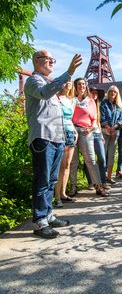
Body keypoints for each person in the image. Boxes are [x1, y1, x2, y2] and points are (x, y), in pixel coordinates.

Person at [24, 50, 82, 239]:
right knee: (42, 180)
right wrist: (69, 72)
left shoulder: (50, 83)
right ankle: (39, 222)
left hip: (57, 138)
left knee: (51, 180)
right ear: (36, 60)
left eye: (52, 59)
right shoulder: (34, 81)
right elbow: (44, 94)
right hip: (42, 137)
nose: (50, 61)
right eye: (46, 58)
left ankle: (48, 215)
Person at [72, 78, 109, 197]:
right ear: (75, 86)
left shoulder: (90, 101)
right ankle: (73, 187)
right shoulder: (71, 100)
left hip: (85, 131)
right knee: (73, 161)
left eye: (83, 84)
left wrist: (91, 129)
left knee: (91, 160)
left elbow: (94, 119)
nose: (81, 86)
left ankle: (98, 186)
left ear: (85, 86)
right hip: (72, 130)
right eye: (79, 84)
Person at [54, 81, 78, 208]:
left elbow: (70, 119)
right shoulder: (56, 98)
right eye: (65, 81)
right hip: (59, 132)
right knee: (61, 165)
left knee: (68, 165)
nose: (68, 83)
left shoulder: (72, 100)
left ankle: (63, 193)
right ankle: (57, 197)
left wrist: (75, 131)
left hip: (70, 133)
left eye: (70, 81)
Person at [84, 86, 109, 190]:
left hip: (97, 133)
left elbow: (97, 120)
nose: (94, 94)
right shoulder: (85, 103)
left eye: (96, 93)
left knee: (102, 158)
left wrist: (101, 134)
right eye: (92, 92)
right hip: (87, 133)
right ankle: (91, 182)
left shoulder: (97, 104)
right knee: (89, 159)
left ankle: (103, 181)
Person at [100, 85, 122, 184]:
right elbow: (102, 116)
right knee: (103, 155)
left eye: (115, 92)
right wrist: (108, 128)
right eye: (111, 91)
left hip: (114, 133)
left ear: (117, 94)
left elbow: (120, 119)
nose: (112, 93)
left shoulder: (118, 106)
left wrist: (114, 128)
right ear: (108, 92)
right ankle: (102, 178)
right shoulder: (103, 104)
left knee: (111, 155)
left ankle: (109, 177)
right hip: (105, 132)